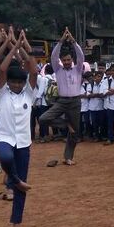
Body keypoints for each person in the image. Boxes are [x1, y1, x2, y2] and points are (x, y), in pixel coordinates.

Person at [0, 29, 38, 227]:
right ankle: (13, 179)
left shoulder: (29, 94)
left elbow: (34, 71)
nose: (17, 85)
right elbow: (2, 69)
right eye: (14, 81)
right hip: (3, 138)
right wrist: (14, 49)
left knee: (22, 188)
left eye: (20, 82)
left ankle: (16, 225)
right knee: (5, 157)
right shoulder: (2, 92)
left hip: (23, 142)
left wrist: (24, 47)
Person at [39, 28, 85, 166]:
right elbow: (53, 56)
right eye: (64, 60)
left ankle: (68, 157)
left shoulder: (77, 69)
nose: (66, 62)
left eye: (68, 60)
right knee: (43, 118)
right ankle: (65, 125)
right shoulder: (58, 69)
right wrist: (60, 42)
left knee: (75, 133)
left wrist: (73, 41)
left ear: (72, 60)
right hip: (62, 101)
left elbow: (81, 55)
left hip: (75, 102)